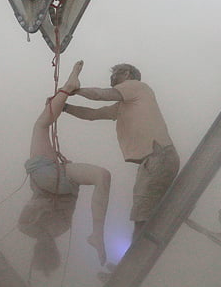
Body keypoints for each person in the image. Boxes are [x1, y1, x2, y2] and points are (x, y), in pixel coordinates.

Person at [63, 63, 178, 240]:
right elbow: (93, 114)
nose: (112, 79)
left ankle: (135, 260)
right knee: (146, 212)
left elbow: (101, 95)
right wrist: (65, 108)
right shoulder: (126, 103)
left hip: (158, 156)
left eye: (115, 74)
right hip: (155, 159)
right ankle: (136, 255)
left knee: (142, 213)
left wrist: (74, 90)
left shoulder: (137, 86)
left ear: (127, 73)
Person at [18, 60, 111, 275]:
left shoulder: (62, 229)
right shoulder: (25, 227)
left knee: (102, 176)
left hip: (65, 185)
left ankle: (97, 232)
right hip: (46, 178)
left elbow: (60, 205)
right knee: (41, 126)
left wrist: (64, 172)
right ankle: (68, 87)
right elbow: (37, 203)